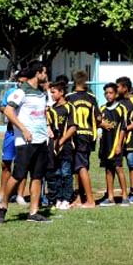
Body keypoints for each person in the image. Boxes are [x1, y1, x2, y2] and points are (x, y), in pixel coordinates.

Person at [0, 61, 51, 224]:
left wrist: (47, 127)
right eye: (44, 72)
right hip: (25, 141)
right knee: (18, 175)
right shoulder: (21, 91)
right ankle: (3, 206)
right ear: (38, 73)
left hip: (41, 140)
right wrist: (24, 129)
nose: (46, 75)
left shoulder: (41, 92)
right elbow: (8, 111)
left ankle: (33, 212)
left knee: (37, 176)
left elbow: (42, 113)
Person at [66, 70, 99, 209]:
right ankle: (80, 197)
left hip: (76, 134)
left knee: (81, 166)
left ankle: (90, 200)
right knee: (80, 167)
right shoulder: (91, 97)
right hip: (88, 134)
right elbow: (98, 118)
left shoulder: (69, 97)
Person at [96, 82, 130, 207]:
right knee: (108, 170)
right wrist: (101, 124)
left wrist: (119, 144)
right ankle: (110, 197)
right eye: (106, 93)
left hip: (116, 143)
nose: (108, 95)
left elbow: (123, 128)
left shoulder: (121, 108)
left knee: (119, 168)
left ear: (115, 94)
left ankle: (125, 196)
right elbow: (96, 122)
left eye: (110, 93)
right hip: (105, 143)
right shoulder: (102, 108)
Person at [46, 79, 77, 211]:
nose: (52, 95)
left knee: (66, 172)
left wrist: (62, 141)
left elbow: (73, 127)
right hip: (54, 147)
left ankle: (66, 198)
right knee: (56, 173)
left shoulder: (70, 107)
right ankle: (57, 197)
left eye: (54, 92)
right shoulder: (51, 109)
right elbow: (49, 127)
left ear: (62, 92)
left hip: (66, 146)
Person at [0, 71, 27, 206]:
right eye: (19, 81)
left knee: (23, 163)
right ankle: (2, 193)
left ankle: (20, 195)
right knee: (6, 163)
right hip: (11, 131)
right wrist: (9, 111)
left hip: (24, 132)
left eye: (23, 81)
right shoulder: (12, 92)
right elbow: (2, 106)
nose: (20, 84)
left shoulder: (31, 93)